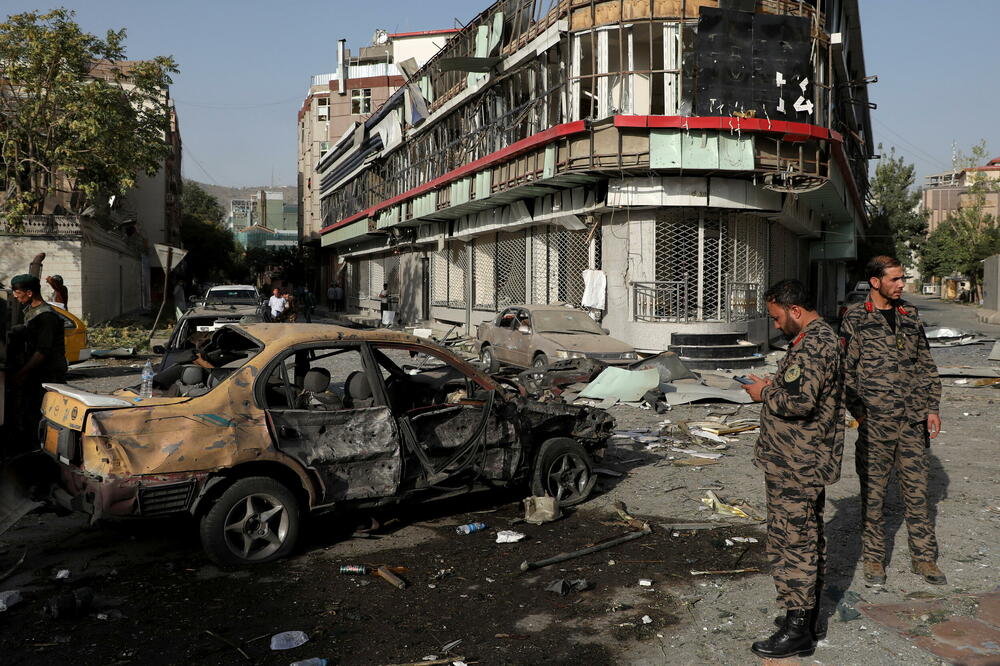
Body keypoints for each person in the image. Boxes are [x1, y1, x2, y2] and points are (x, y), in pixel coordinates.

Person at [741, 279, 844, 659]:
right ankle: (803, 619)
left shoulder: (816, 343)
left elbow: (800, 403)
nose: (777, 325)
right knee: (804, 536)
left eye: (777, 317)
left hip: (797, 464)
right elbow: (802, 388)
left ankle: (798, 629)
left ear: (795, 310)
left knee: (794, 542)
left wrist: (763, 393)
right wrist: (774, 384)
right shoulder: (812, 340)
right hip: (795, 459)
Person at [841, 255, 945, 587]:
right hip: (875, 422)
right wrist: (859, 412)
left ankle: (924, 558)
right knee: (873, 495)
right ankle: (874, 560)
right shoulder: (856, 317)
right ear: (875, 282)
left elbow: (925, 362)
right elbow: (846, 371)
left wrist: (932, 406)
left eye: (902, 279)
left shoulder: (909, 314)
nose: (901, 284)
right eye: (895, 279)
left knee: (917, 494)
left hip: (912, 420)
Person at [9, 274, 68, 450]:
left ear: (29, 293)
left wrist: (20, 374)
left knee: (42, 417)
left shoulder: (46, 316)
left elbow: (42, 352)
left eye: (17, 292)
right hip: (36, 374)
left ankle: (42, 454)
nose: (14, 296)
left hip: (47, 376)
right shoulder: (30, 311)